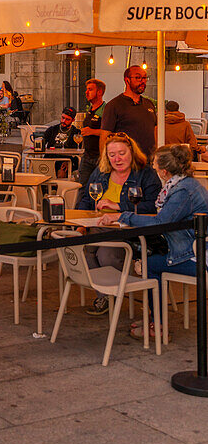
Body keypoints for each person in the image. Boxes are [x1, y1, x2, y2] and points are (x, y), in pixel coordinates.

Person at [100, 143, 208, 341]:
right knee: (150, 258)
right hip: (191, 248)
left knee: (151, 265)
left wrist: (123, 217)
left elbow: (161, 222)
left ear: (165, 171)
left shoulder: (183, 191)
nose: (153, 168)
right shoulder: (185, 185)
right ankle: (153, 317)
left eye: (155, 164)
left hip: (198, 258)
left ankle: (157, 324)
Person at [76, 132, 160, 316]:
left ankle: (110, 294)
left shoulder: (145, 174)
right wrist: (80, 222)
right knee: (83, 250)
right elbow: (86, 199)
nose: (117, 159)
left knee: (106, 253)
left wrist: (119, 206)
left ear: (132, 152)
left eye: (121, 153)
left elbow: (154, 205)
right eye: (112, 154)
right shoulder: (101, 172)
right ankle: (106, 295)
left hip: (130, 231)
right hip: (98, 226)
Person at [101, 66, 156, 158]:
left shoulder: (149, 104)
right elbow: (104, 136)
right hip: (126, 162)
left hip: (149, 161)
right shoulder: (114, 105)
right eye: (138, 78)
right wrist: (106, 163)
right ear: (127, 80)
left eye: (145, 78)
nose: (142, 81)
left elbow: (155, 131)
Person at [77, 78, 106, 195]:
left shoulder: (105, 110)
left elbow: (110, 132)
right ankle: (80, 212)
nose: (86, 92)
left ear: (99, 92)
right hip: (87, 155)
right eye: (86, 89)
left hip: (100, 157)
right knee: (82, 188)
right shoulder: (90, 109)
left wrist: (92, 131)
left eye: (90, 89)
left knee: (99, 189)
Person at [43, 107, 81, 177]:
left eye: (67, 119)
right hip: (50, 158)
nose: (64, 121)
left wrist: (69, 161)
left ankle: (59, 187)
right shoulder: (52, 130)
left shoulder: (76, 133)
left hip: (66, 159)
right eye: (63, 118)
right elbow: (42, 142)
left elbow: (78, 152)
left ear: (73, 120)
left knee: (62, 171)